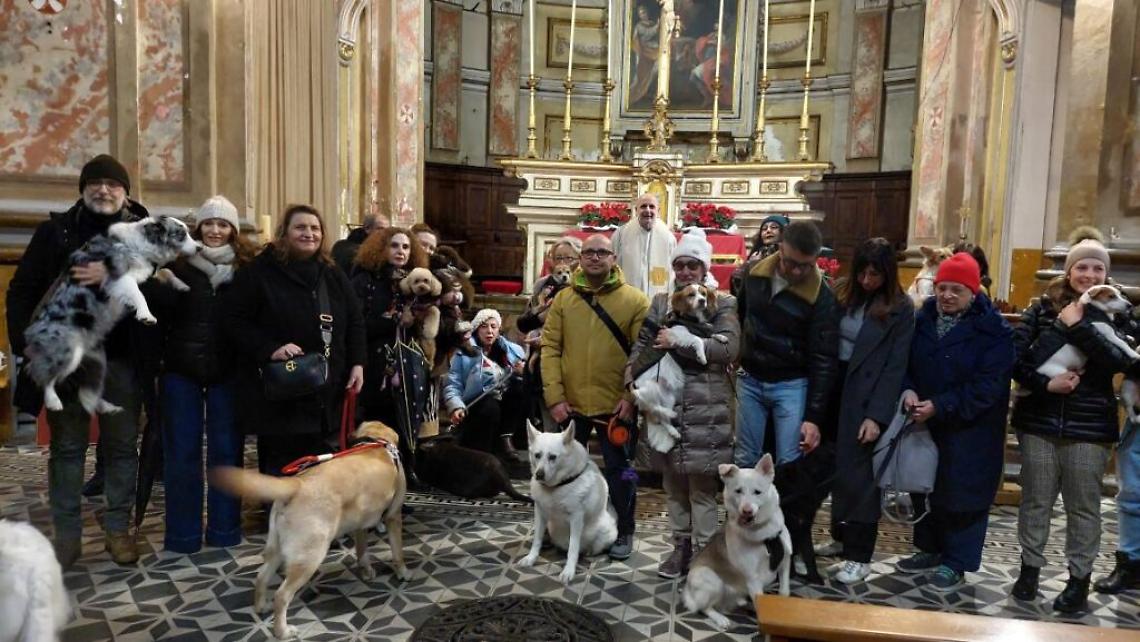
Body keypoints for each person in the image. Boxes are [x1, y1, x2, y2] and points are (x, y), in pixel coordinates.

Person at [6, 154, 158, 568]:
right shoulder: (55, 233)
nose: (104, 190)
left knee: (122, 448)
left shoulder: (146, 234)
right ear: (83, 189)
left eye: (113, 184)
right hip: (68, 361)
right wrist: (28, 345)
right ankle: (67, 537)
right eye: (96, 183)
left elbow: (162, 295)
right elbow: (22, 291)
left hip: (124, 361)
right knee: (68, 450)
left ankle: (118, 531)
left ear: (126, 193)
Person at [1010, 229, 1133, 612]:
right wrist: (1047, 382)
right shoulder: (1041, 309)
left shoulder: (1117, 312)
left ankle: (1079, 580)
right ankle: (1029, 569)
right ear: (1069, 271)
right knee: (1036, 501)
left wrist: (1079, 327)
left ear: (1105, 275)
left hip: (1090, 426)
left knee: (1083, 507)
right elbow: (1018, 361)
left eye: (1098, 268)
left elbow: (1122, 362)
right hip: (1039, 420)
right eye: (1082, 267)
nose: (1090, 274)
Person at [894, 252, 1014, 591]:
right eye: (942, 287)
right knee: (925, 484)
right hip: (926, 418)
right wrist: (907, 389)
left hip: (970, 426)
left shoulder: (994, 330)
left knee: (963, 494)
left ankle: (956, 561)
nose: (946, 295)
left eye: (956, 290)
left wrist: (942, 404)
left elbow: (989, 385)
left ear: (973, 292)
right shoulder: (923, 319)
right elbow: (904, 363)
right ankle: (929, 548)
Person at [626, 228, 739, 579]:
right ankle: (680, 548)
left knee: (702, 489)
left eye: (693, 265)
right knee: (673, 485)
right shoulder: (662, 302)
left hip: (707, 404)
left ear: (704, 268)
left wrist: (680, 342)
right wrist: (631, 377)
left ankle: (705, 555)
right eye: (680, 265)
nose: (686, 271)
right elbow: (644, 342)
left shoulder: (724, 302)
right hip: (667, 402)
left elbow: (729, 349)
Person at [224, 204, 366, 477]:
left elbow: (355, 321)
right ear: (284, 233)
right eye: (300, 227)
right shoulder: (259, 271)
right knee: (281, 472)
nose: (308, 233)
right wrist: (270, 348)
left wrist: (358, 363)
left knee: (322, 470)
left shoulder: (332, 273)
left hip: (327, 391)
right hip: (281, 393)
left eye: (315, 228)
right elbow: (234, 320)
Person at [151, 195, 255, 553]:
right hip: (181, 368)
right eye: (209, 223)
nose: (215, 230)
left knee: (227, 452)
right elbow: (159, 315)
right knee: (182, 454)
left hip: (228, 370)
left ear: (233, 230)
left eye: (223, 224)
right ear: (198, 228)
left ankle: (225, 530)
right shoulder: (178, 265)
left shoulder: (245, 270)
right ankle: (183, 535)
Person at [812, 238, 914, 584]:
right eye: (863, 273)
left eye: (875, 275)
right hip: (833, 389)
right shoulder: (843, 292)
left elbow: (895, 367)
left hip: (866, 397)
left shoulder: (900, 307)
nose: (868, 280)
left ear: (888, 274)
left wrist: (876, 416)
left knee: (860, 480)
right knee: (834, 473)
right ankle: (840, 539)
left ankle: (860, 555)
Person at [542, 234, 649, 560]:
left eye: (602, 252)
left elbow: (643, 355)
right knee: (557, 468)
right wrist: (555, 397)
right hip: (571, 406)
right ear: (581, 258)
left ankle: (625, 528)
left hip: (616, 407)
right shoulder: (564, 299)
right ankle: (556, 527)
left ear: (613, 258)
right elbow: (550, 348)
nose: (595, 257)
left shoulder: (635, 300)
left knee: (623, 470)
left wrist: (630, 398)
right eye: (589, 252)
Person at [734, 220, 838, 467]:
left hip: (791, 383)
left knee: (790, 463)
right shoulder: (754, 273)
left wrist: (813, 418)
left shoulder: (822, 296)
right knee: (745, 459)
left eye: (806, 265)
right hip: (750, 377)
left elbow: (824, 358)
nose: (798, 272)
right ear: (781, 249)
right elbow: (741, 315)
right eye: (792, 263)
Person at [351, 226, 433, 473]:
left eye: (406, 246)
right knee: (378, 423)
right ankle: (375, 476)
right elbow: (356, 324)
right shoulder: (365, 281)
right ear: (381, 248)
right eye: (394, 245)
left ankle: (403, 475)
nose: (401, 251)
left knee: (406, 421)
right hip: (377, 365)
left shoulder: (415, 280)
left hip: (410, 366)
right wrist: (395, 320)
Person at [443, 309, 527, 456]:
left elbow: (524, 374)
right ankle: (484, 452)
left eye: (493, 327)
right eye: (484, 327)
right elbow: (453, 384)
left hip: (504, 401)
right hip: (476, 403)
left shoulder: (511, 351)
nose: (489, 331)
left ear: (499, 330)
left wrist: (523, 371)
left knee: (519, 389)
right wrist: (456, 407)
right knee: (490, 407)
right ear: (476, 329)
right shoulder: (465, 353)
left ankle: (506, 438)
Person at [518, 237, 582, 429]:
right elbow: (524, 322)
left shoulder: (583, 286)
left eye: (568, 258)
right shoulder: (542, 285)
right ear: (551, 262)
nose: (563, 263)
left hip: (572, 360)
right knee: (547, 417)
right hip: (544, 363)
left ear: (579, 260)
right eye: (558, 258)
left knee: (573, 426)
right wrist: (540, 317)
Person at [612, 193, 676, 300]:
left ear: (658, 211)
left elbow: (673, 269)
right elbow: (613, 264)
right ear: (636, 210)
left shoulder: (668, 237)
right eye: (643, 206)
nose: (648, 210)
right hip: (627, 297)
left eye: (652, 206)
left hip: (658, 299)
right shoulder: (621, 234)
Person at [731, 214, 790, 297]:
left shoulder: (789, 256)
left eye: (774, 227)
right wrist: (751, 266)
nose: (768, 231)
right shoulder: (756, 255)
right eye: (764, 229)